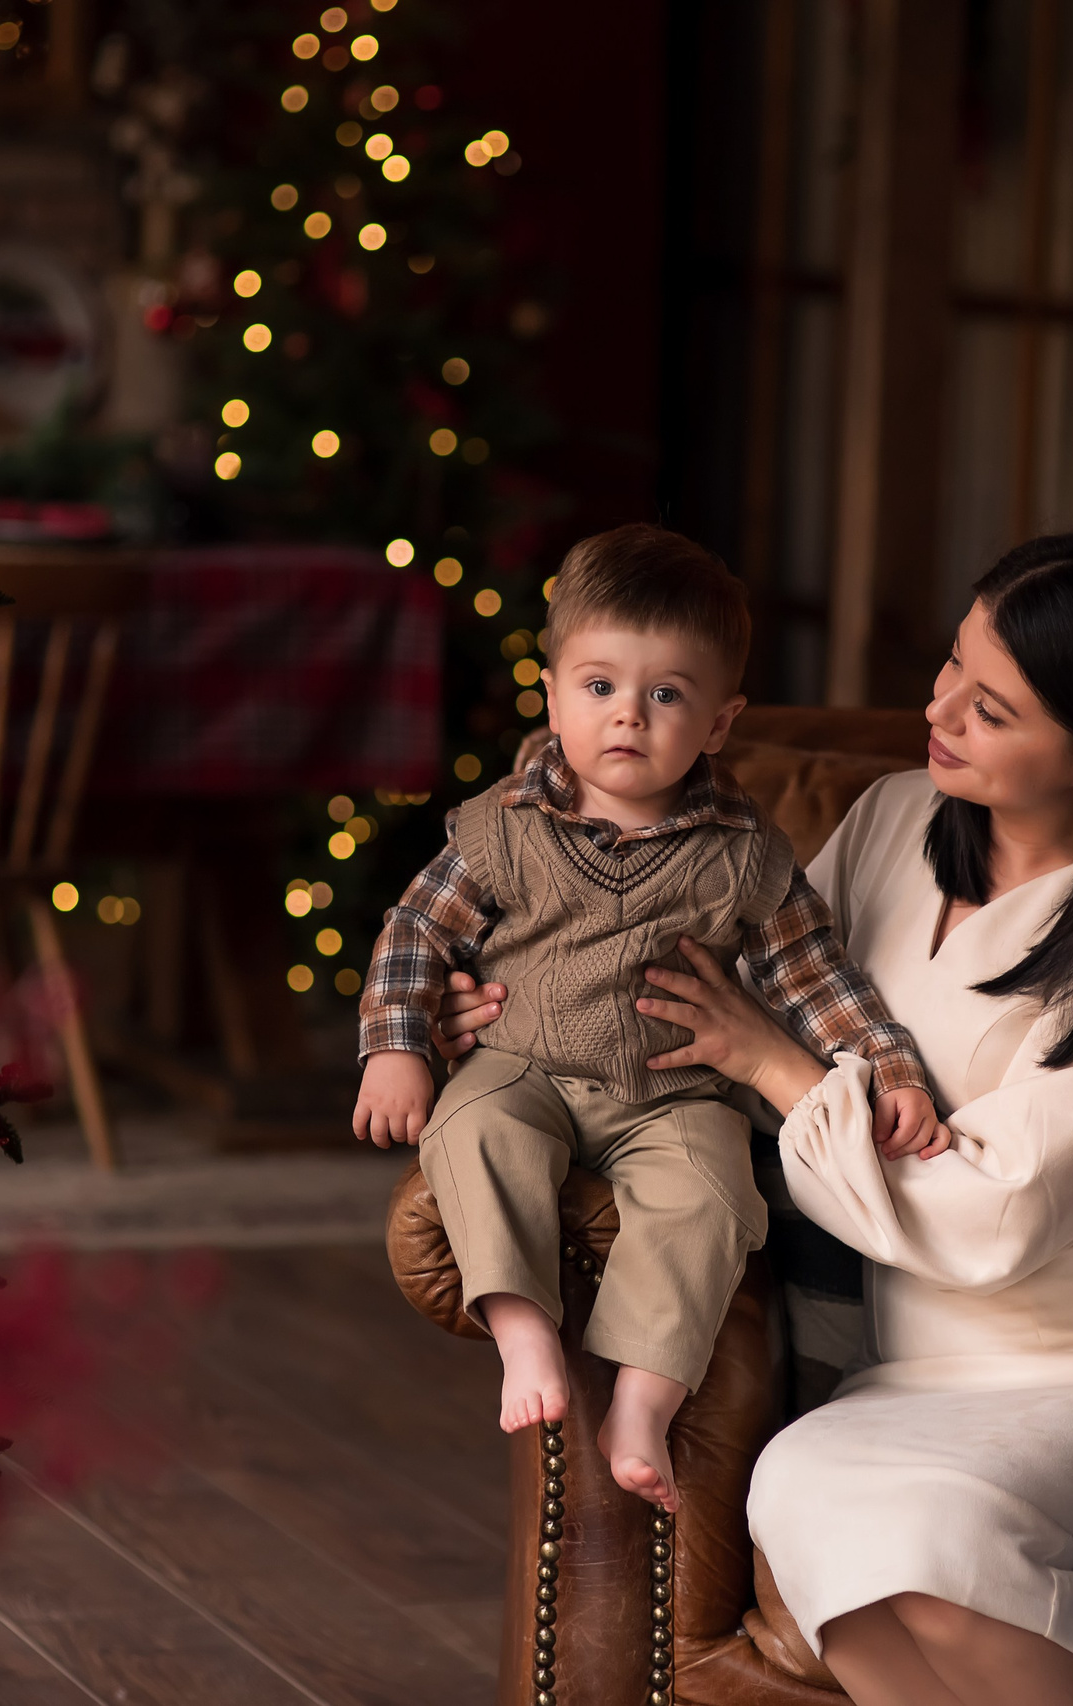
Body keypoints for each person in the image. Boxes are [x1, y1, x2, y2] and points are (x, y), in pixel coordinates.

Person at [439, 531, 1073, 1704]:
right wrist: (508, 1008)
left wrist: (782, 1070)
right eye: (950, 667)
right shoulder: (889, 821)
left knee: (922, 1537)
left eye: (990, 707)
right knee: (810, 1501)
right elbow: (686, 995)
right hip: (916, 1369)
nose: (937, 710)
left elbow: (999, 1217)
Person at [352, 524, 941, 1512]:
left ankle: (640, 1401)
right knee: (474, 1130)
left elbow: (814, 975)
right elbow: (418, 928)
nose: (627, 715)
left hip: (673, 1093)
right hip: (521, 1063)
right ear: (551, 693)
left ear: (718, 721)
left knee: (709, 1198)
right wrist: (396, 1045)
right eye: (598, 686)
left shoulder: (743, 855)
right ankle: (522, 1328)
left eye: (665, 694)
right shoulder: (504, 824)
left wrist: (887, 1069)